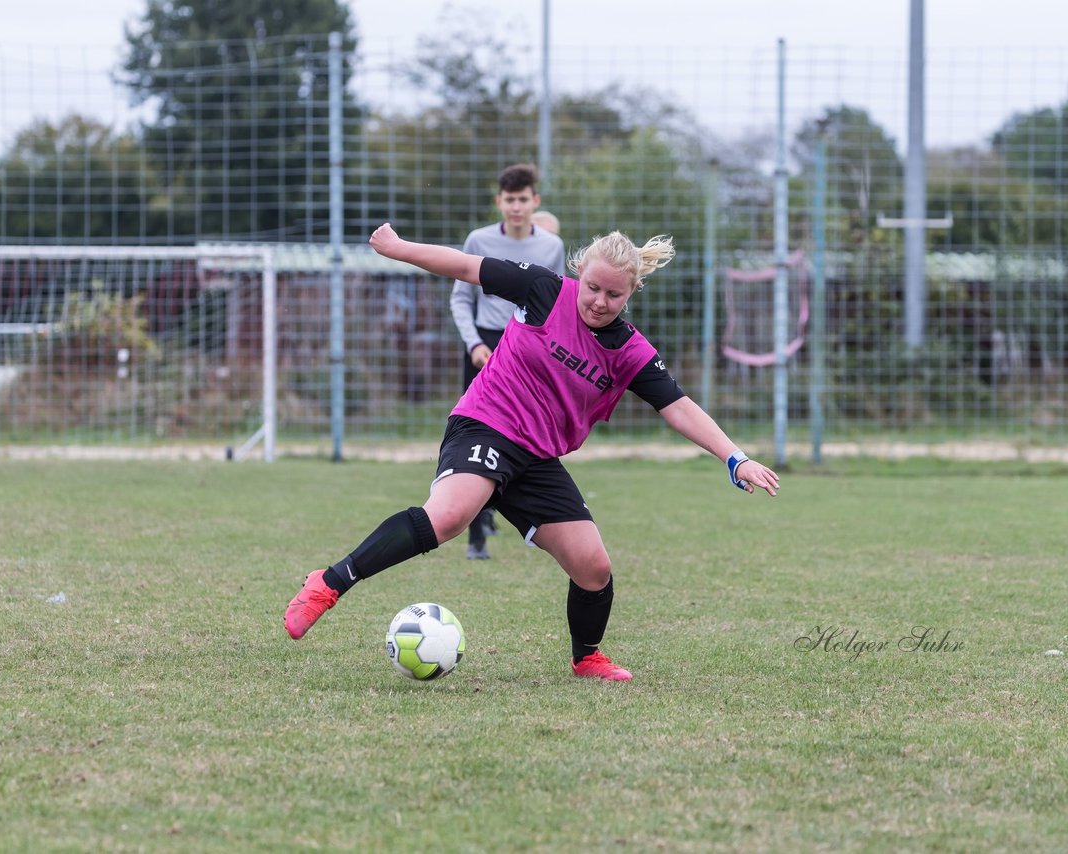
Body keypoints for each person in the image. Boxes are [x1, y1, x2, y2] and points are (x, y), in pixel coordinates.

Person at [285, 222, 780, 682]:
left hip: (536, 458)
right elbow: (464, 266)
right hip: (486, 423)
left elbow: (679, 407)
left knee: (593, 567)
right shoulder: (544, 290)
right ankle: (328, 583)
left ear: (631, 293)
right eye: (593, 287)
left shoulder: (630, 351)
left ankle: (587, 656)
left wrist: (735, 457)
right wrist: (397, 249)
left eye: (614, 294)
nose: (600, 301)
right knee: (451, 516)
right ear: (578, 273)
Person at [449, 164, 565, 561]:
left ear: (535, 201)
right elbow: (461, 298)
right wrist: (474, 343)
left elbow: (556, 306)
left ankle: (521, 512)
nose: (516, 207)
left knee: (525, 435)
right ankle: (475, 536)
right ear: (499, 202)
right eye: (509, 200)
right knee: (476, 439)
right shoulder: (478, 240)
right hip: (486, 346)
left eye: (523, 199)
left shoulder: (551, 246)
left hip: (528, 351)